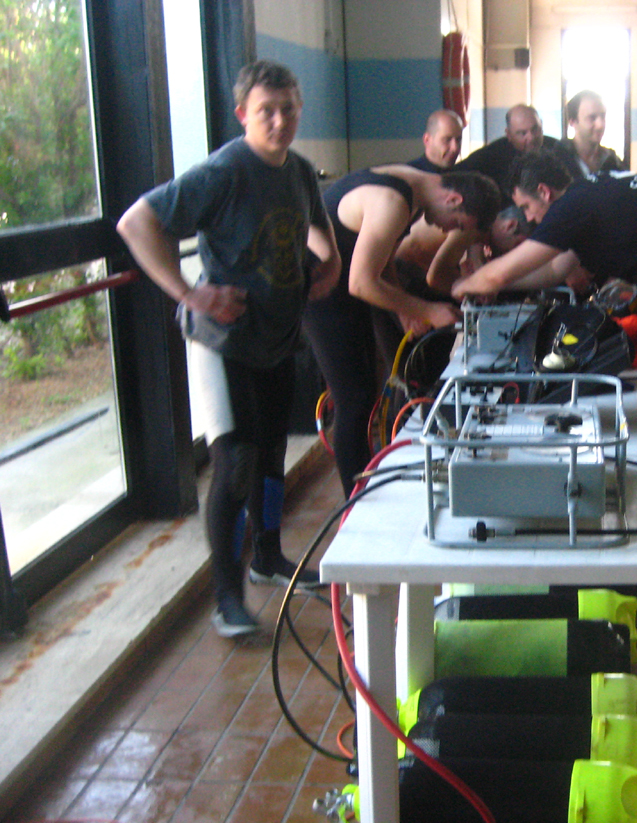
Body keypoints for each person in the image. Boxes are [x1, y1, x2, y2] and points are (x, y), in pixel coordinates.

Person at [116, 61, 341, 638]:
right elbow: (136, 222)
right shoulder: (223, 171)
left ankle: (268, 556)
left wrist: (332, 263)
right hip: (222, 344)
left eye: (289, 108)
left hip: (276, 340)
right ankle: (226, 598)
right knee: (236, 463)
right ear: (243, 114)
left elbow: (318, 226)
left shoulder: (297, 171)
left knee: (270, 458)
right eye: (267, 110)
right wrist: (190, 292)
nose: (280, 120)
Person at [450, 152, 637, 459]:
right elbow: (554, 270)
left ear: (544, 191)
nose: (532, 219)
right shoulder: (587, 195)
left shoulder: (571, 206)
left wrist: (466, 284)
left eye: (527, 207)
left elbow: (500, 273)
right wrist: (496, 285)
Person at [302, 166, 501, 497]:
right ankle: (357, 500)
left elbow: (382, 261)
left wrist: (404, 310)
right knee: (354, 399)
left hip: (340, 282)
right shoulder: (394, 201)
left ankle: (366, 485)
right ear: (454, 200)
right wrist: (426, 310)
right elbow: (361, 283)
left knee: (365, 393)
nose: (449, 231)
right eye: (458, 224)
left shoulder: (413, 187)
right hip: (321, 288)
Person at [455, 104, 566, 193]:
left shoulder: (558, 149)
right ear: (509, 135)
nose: (531, 137)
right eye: (522, 133)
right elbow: (457, 174)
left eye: (535, 129)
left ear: (541, 125)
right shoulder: (491, 155)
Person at [560, 90, 624, 178]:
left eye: (603, 116)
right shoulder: (557, 161)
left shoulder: (613, 161)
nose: (600, 125)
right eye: (592, 118)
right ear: (572, 121)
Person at [406, 109, 465, 174]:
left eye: (458, 140)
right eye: (447, 140)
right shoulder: (407, 175)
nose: (455, 148)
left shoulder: (465, 174)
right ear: (427, 140)